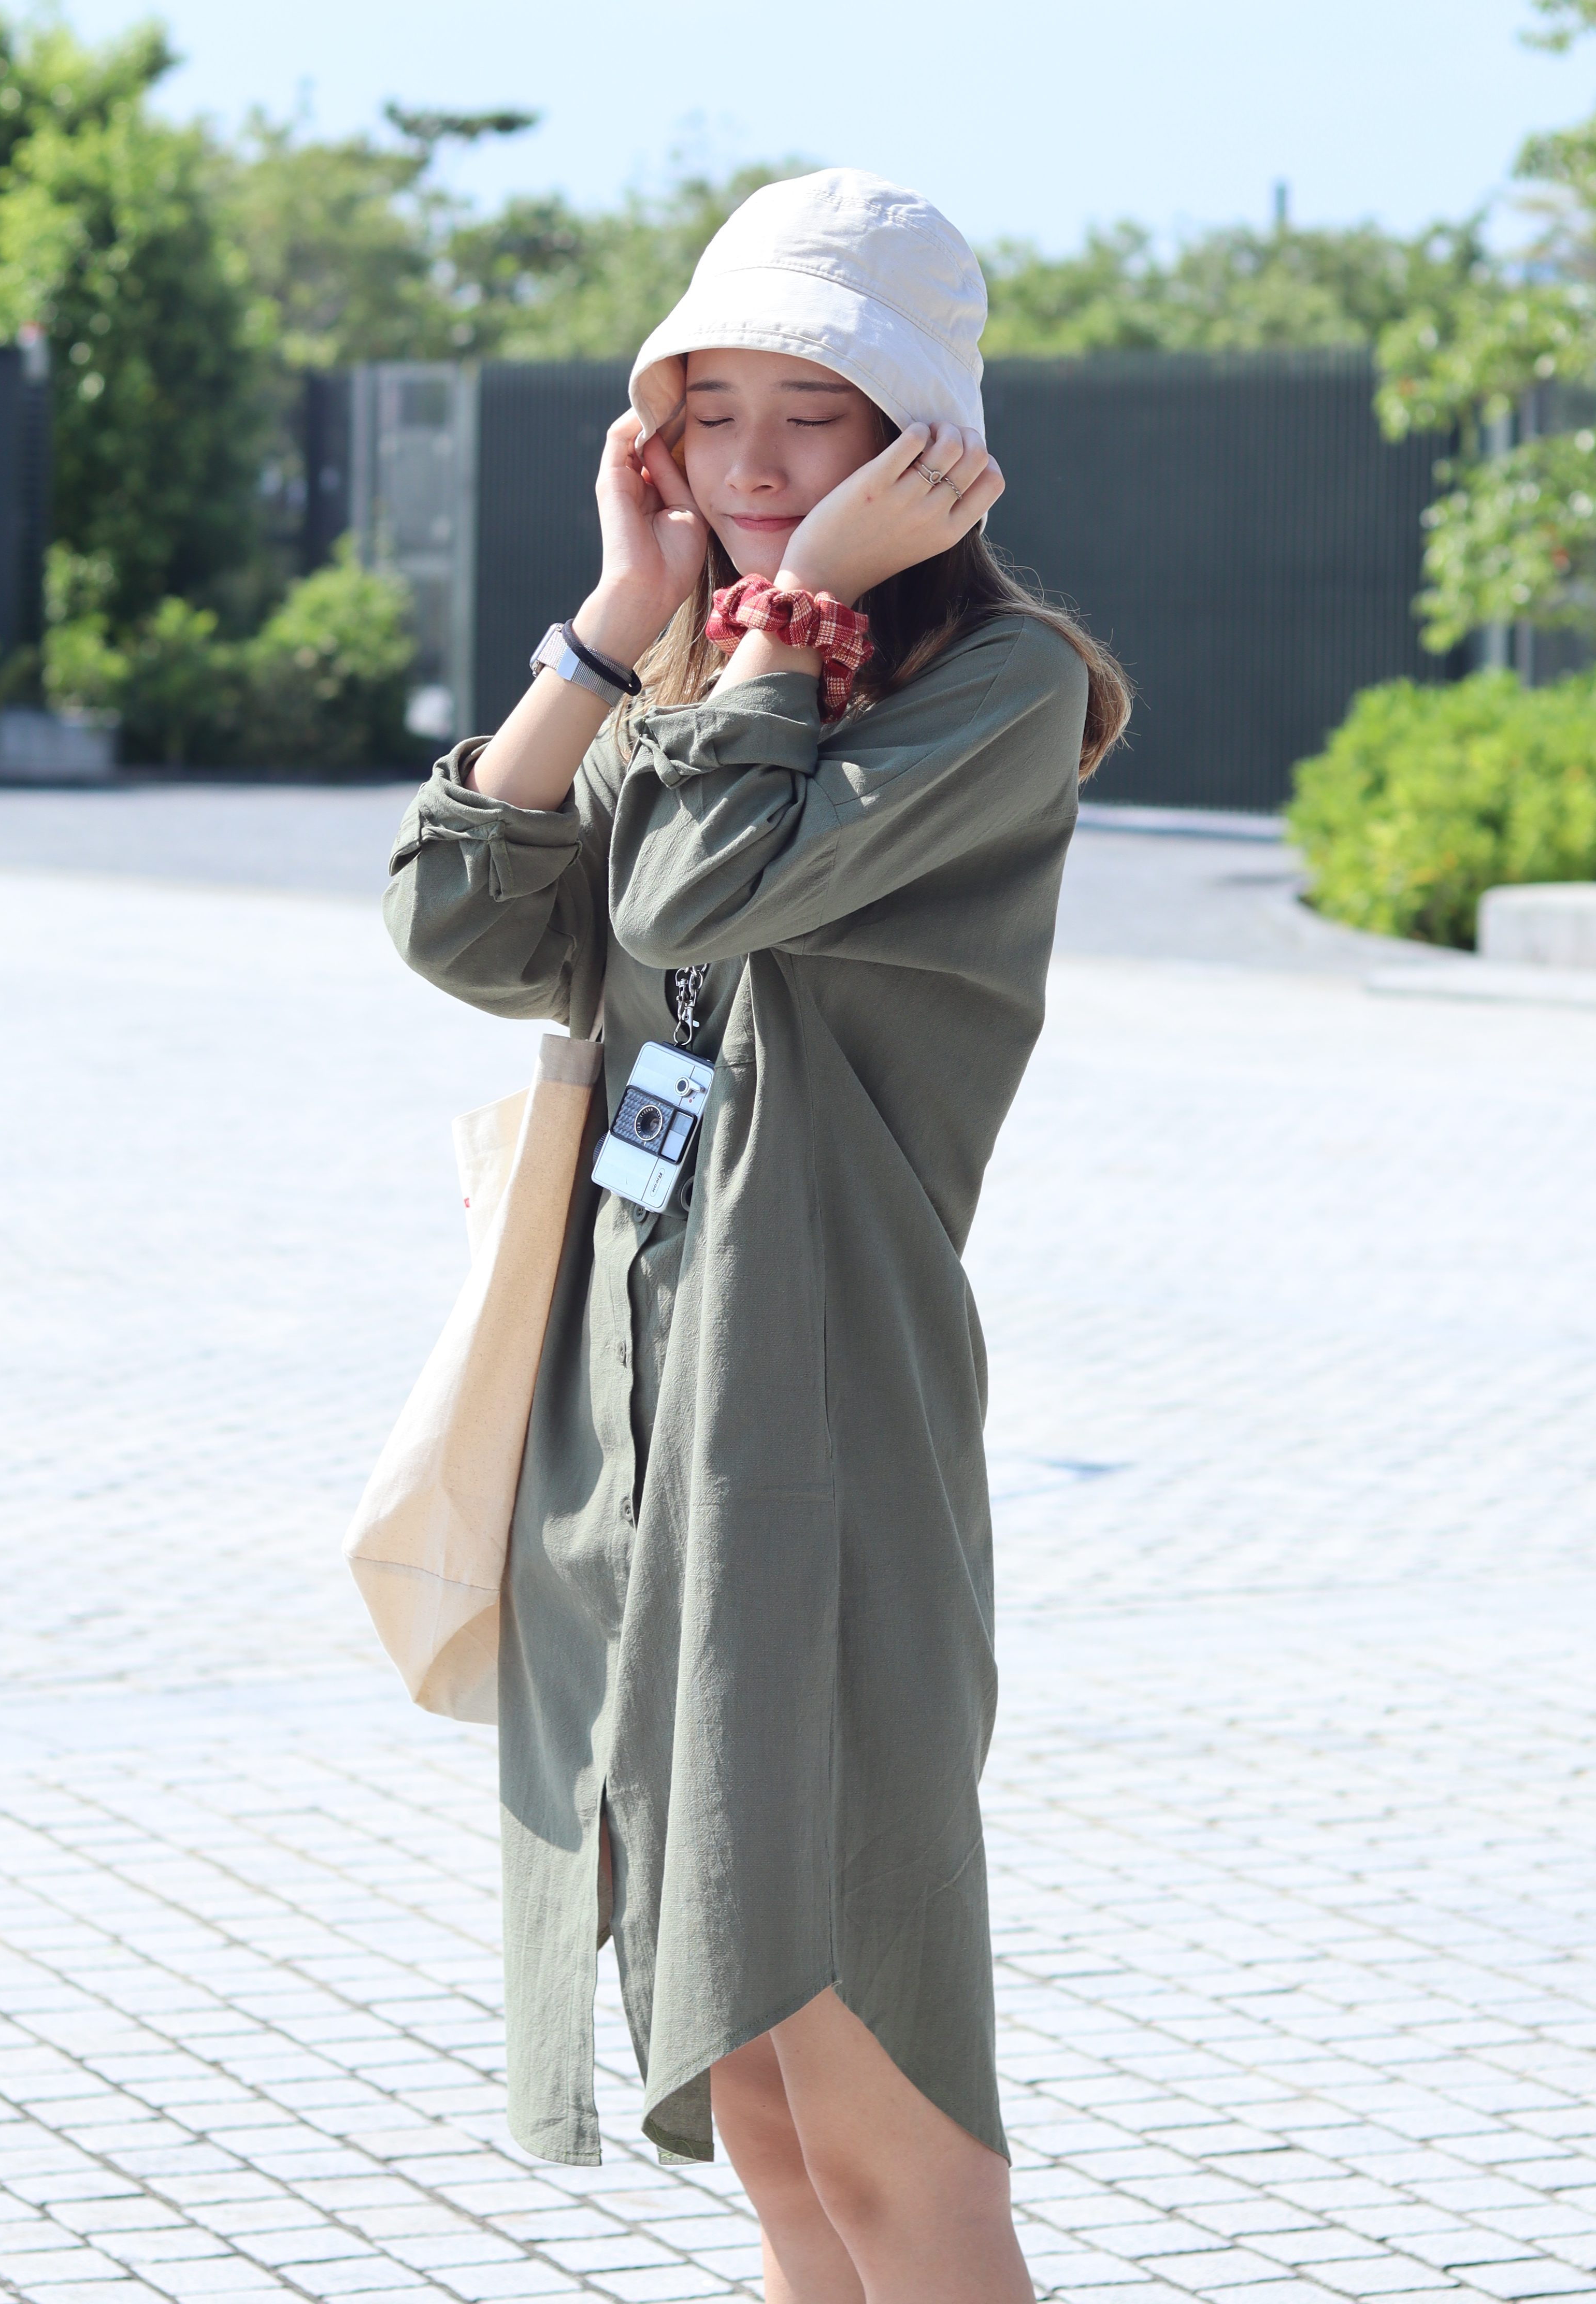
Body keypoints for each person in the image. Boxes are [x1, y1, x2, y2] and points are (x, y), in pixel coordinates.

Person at [385, 168, 1130, 2303]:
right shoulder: (688, 668)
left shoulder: (997, 690)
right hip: (627, 1426)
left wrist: (789, 617)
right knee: (773, 2125)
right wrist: (613, 627)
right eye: (708, 416)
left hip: (819, 1424)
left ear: (923, 442)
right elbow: (461, 920)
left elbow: (695, 894)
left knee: (886, 2103)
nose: (749, 467)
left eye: (811, 416)